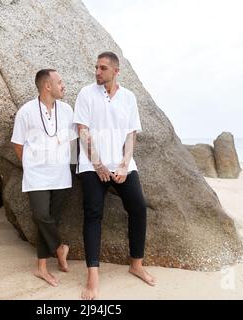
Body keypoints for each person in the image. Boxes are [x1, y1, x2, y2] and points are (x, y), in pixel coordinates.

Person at [73, 52, 156, 300]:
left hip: (122, 166)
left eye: (103, 68)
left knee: (139, 208)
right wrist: (98, 165)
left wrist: (123, 164)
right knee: (93, 213)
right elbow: (82, 131)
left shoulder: (129, 97)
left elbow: (131, 135)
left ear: (116, 71)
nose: (97, 72)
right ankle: (93, 276)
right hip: (92, 165)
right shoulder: (86, 94)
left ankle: (136, 264)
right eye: (96, 67)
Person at [11, 69, 77, 287]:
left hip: (60, 175)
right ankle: (60, 248)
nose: (63, 85)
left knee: (52, 219)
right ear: (47, 86)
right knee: (41, 216)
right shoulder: (26, 111)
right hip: (36, 176)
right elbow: (18, 143)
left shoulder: (67, 110)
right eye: (60, 82)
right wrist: (31, 164)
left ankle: (42, 268)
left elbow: (73, 139)